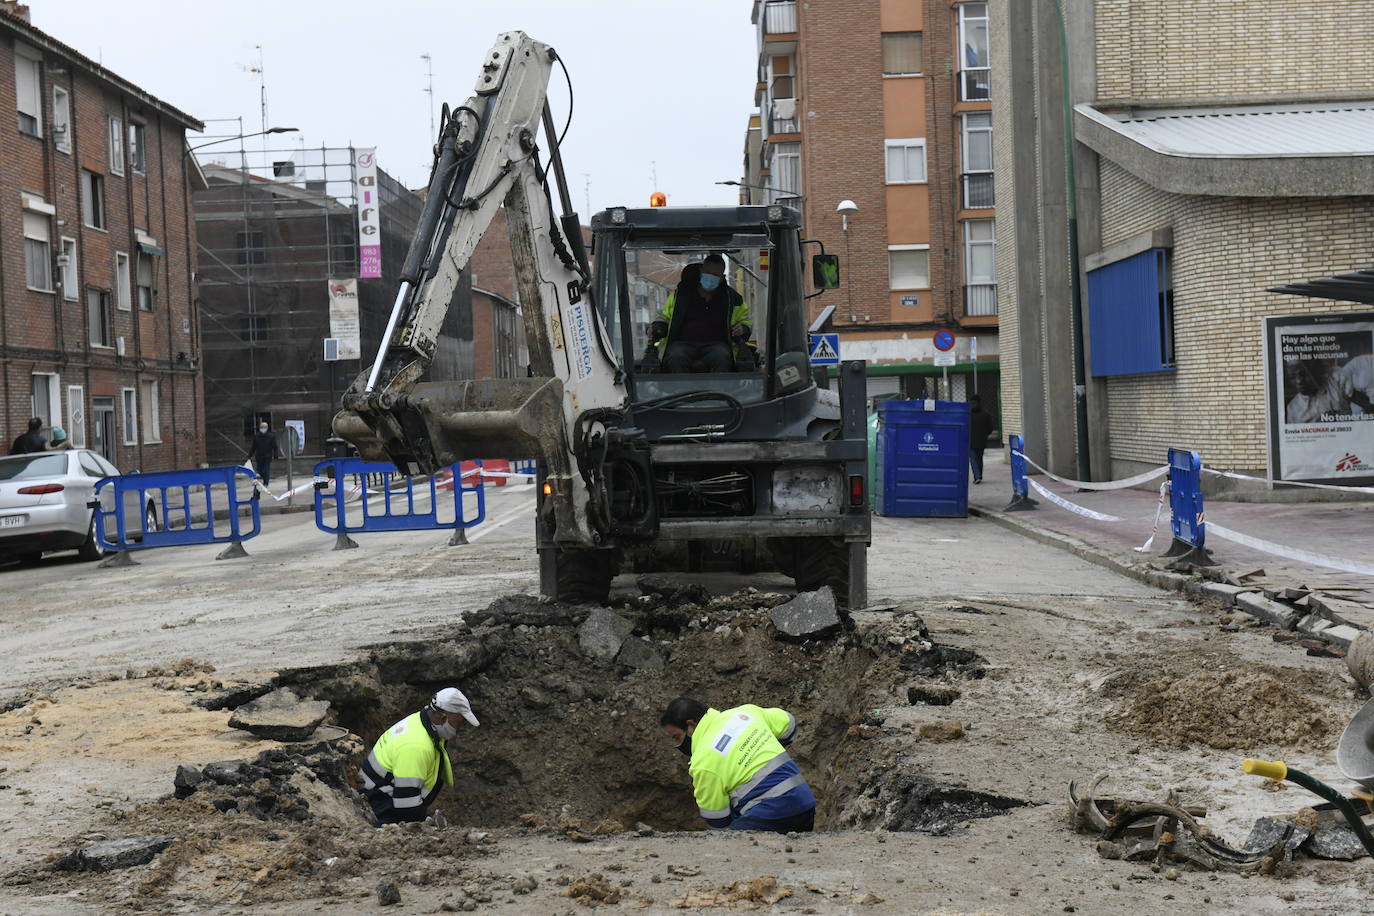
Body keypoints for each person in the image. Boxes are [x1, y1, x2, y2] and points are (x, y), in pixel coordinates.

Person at [660, 696, 816, 833]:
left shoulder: (702, 762)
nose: (677, 744)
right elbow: (789, 724)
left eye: (676, 737)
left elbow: (717, 821)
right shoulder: (746, 713)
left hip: (770, 815)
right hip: (805, 803)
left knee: (727, 847)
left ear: (690, 725)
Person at [360, 687, 479, 826]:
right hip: (380, 808)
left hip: (381, 795)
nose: (459, 728)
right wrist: (425, 828)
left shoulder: (424, 724)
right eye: (459, 723)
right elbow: (406, 805)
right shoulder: (416, 746)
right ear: (443, 718)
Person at [650, 255, 751, 374]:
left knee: (723, 356)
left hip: (716, 344)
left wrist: (743, 328)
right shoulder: (680, 296)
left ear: (722, 278)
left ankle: (718, 391)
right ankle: (682, 391)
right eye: (708, 273)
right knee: (676, 355)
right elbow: (665, 317)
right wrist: (657, 327)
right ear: (701, 272)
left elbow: (744, 320)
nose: (711, 277)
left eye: (715, 275)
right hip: (683, 343)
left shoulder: (732, 299)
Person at [967, 395, 996, 484]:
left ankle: (977, 476)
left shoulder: (967, 414)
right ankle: (979, 476)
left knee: (973, 459)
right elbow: (990, 428)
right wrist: (984, 435)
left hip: (970, 440)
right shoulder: (986, 414)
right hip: (981, 441)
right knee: (979, 458)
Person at [246, 420, 283, 487]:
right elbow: (253, 447)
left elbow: (275, 447)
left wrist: (276, 455)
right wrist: (249, 455)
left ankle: (266, 483)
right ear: (260, 428)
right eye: (262, 427)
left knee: (266, 470)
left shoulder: (271, 436)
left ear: (267, 428)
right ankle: (264, 479)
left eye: (264, 427)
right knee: (260, 470)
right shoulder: (256, 436)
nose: (263, 428)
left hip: (267, 457)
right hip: (259, 457)